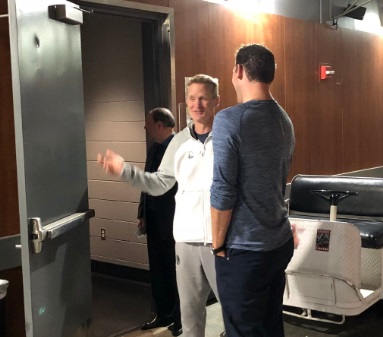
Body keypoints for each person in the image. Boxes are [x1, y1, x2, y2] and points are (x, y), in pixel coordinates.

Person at [97, 74, 224, 337]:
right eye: (191, 98)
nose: (197, 104)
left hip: (220, 241)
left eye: (203, 98)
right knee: (189, 315)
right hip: (185, 242)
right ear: (186, 102)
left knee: (232, 310)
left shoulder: (229, 138)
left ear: (216, 102)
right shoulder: (178, 143)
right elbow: (159, 183)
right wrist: (124, 172)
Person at [210, 44, 296, 337]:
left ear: (238, 71)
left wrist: (218, 245)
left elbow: (223, 190)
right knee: (270, 324)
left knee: (243, 329)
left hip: (245, 250)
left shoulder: (229, 120)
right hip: (278, 242)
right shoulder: (284, 120)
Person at [137, 107, 181, 336]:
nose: (145, 127)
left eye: (148, 123)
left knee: (175, 272)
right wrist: (142, 214)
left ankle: (178, 319)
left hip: (173, 221)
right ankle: (162, 314)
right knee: (157, 270)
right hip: (154, 220)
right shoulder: (154, 149)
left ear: (160, 125)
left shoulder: (181, 148)